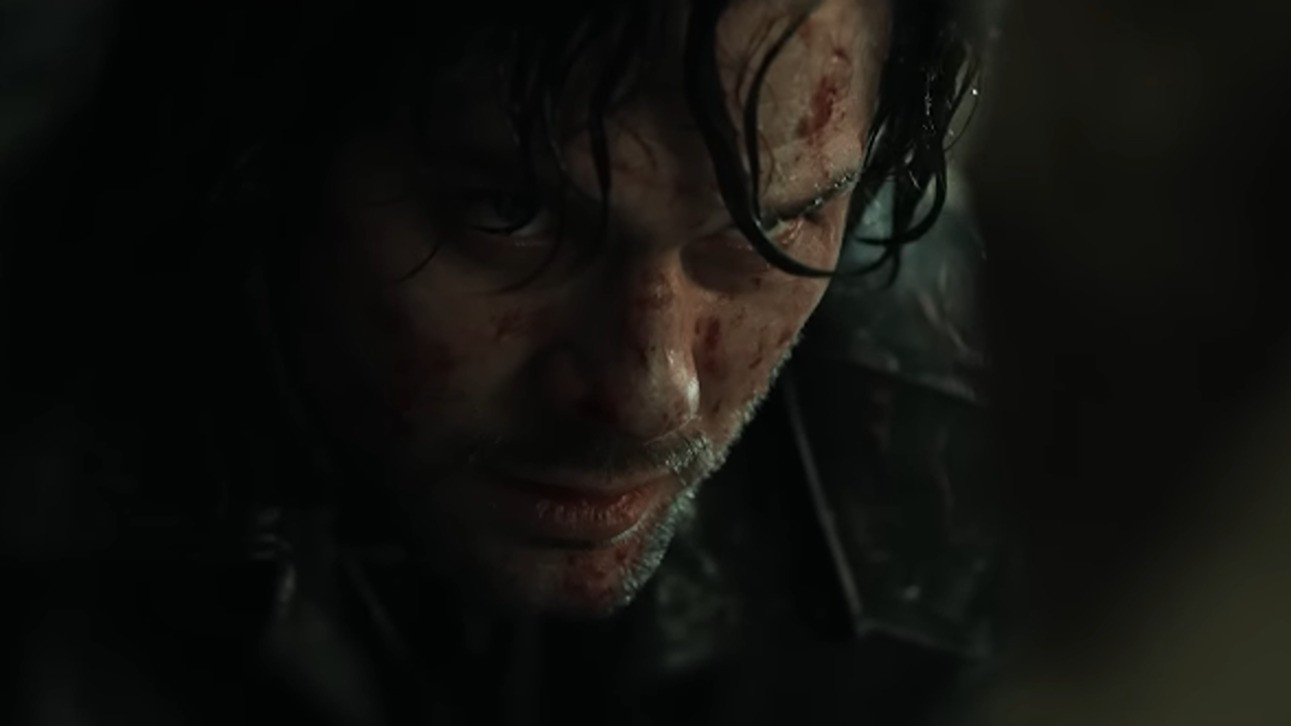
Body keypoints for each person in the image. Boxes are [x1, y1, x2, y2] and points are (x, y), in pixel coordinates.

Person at [0, 0, 994, 724]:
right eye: (510, 213)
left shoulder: (951, 443)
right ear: (274, 145)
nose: (653, 393)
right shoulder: (45, 526)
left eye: (770, 228)